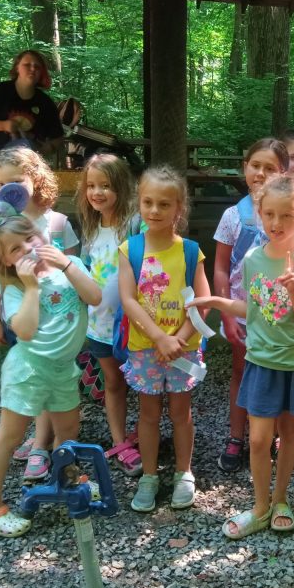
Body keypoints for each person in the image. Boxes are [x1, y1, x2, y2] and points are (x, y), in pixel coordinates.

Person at [192, 175, 294, 539]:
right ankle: (259, 505)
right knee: (257, 440)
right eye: (268, 214)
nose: (276, 223)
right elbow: (256, 309)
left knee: (289, 433)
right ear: (259, 214)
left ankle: (281, 499)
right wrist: (219, 302)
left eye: (286, 215)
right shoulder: (254, 258)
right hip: (262, 362)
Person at [0, 184, 100, 537]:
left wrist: (66, 263)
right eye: (16, 249)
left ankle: (67, 479)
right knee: (10, 435)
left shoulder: (70, 266)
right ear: (5, 259)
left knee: (68, 429)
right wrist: (32, 288)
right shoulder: (16, 287)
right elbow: (23, 330)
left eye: (30, 240)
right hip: (28, 369)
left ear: (42, 234)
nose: (28, 250)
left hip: (63, 369)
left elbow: (94, 296)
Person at [0, 147, 80, 482]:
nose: (8, 190)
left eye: (16, 181)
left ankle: (42, 443)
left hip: (58, 320)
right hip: (22, 311)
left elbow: (72, 272)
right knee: (32, 380)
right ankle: (38, 444)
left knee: (54, 381)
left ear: (36, 178)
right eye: (0, 185)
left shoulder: (56, 222)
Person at [119, 166, 211, 513]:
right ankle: (150, 475)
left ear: (179, 209)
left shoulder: (190, 252)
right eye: (148, 202)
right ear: (139, 203)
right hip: (145, 350)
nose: (154, 211)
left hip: (182, 351)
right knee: (147, 413)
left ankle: (183, 472)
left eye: (163, 204)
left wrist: (180, 338)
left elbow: (204, 302)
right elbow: (128, 299)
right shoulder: (131, 249)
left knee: (180, 412)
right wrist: (159, 338)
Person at [212, 138, 287, 472]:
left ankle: (273, 434)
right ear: (244, 167)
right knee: (242, 372)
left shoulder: (290, 214)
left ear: (282, 173)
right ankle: (237, 434)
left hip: (281, 318)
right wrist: (227, 314)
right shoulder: (233, 215)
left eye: (270, 167)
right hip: (242, 314)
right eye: (255, 165)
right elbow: (220, 267)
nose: (260, 173)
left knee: (279, 373)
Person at [74, 153, 143, 477]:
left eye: (105, 185)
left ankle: (145, 432)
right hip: (100, 324)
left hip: (136, 323)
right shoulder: (89, 228)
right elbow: (84, 272)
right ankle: (119, 440)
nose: (97, 192)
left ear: (121, 186)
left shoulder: (133, 223)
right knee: (113, 382)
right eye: (91, 186)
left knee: (143, 382)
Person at [0, 50, 63, 168]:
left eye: (37, 66)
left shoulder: (45, 103)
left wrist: (45, 149)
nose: (32, 69)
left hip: (25, 170)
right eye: (27, 65)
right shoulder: (0, 91)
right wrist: (2, 125)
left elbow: (58, 137)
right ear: (17, 68)